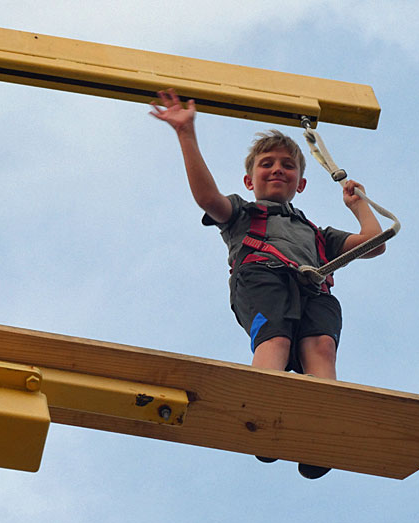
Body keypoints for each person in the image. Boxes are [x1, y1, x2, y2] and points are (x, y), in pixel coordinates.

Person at [150, 89, 385, 478]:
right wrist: (186, 134)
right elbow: (208, 198)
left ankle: (318, 426)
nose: (277, 169)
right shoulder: (243, 214)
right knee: (275, 339)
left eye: (288, 166)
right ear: (249, 178)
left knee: (321, 346)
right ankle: (265, 407)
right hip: (262, 278)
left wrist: (358, 204)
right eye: (267, 164)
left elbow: (374, 244)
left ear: (301, 184)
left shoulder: (316, 232)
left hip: (313, 288)